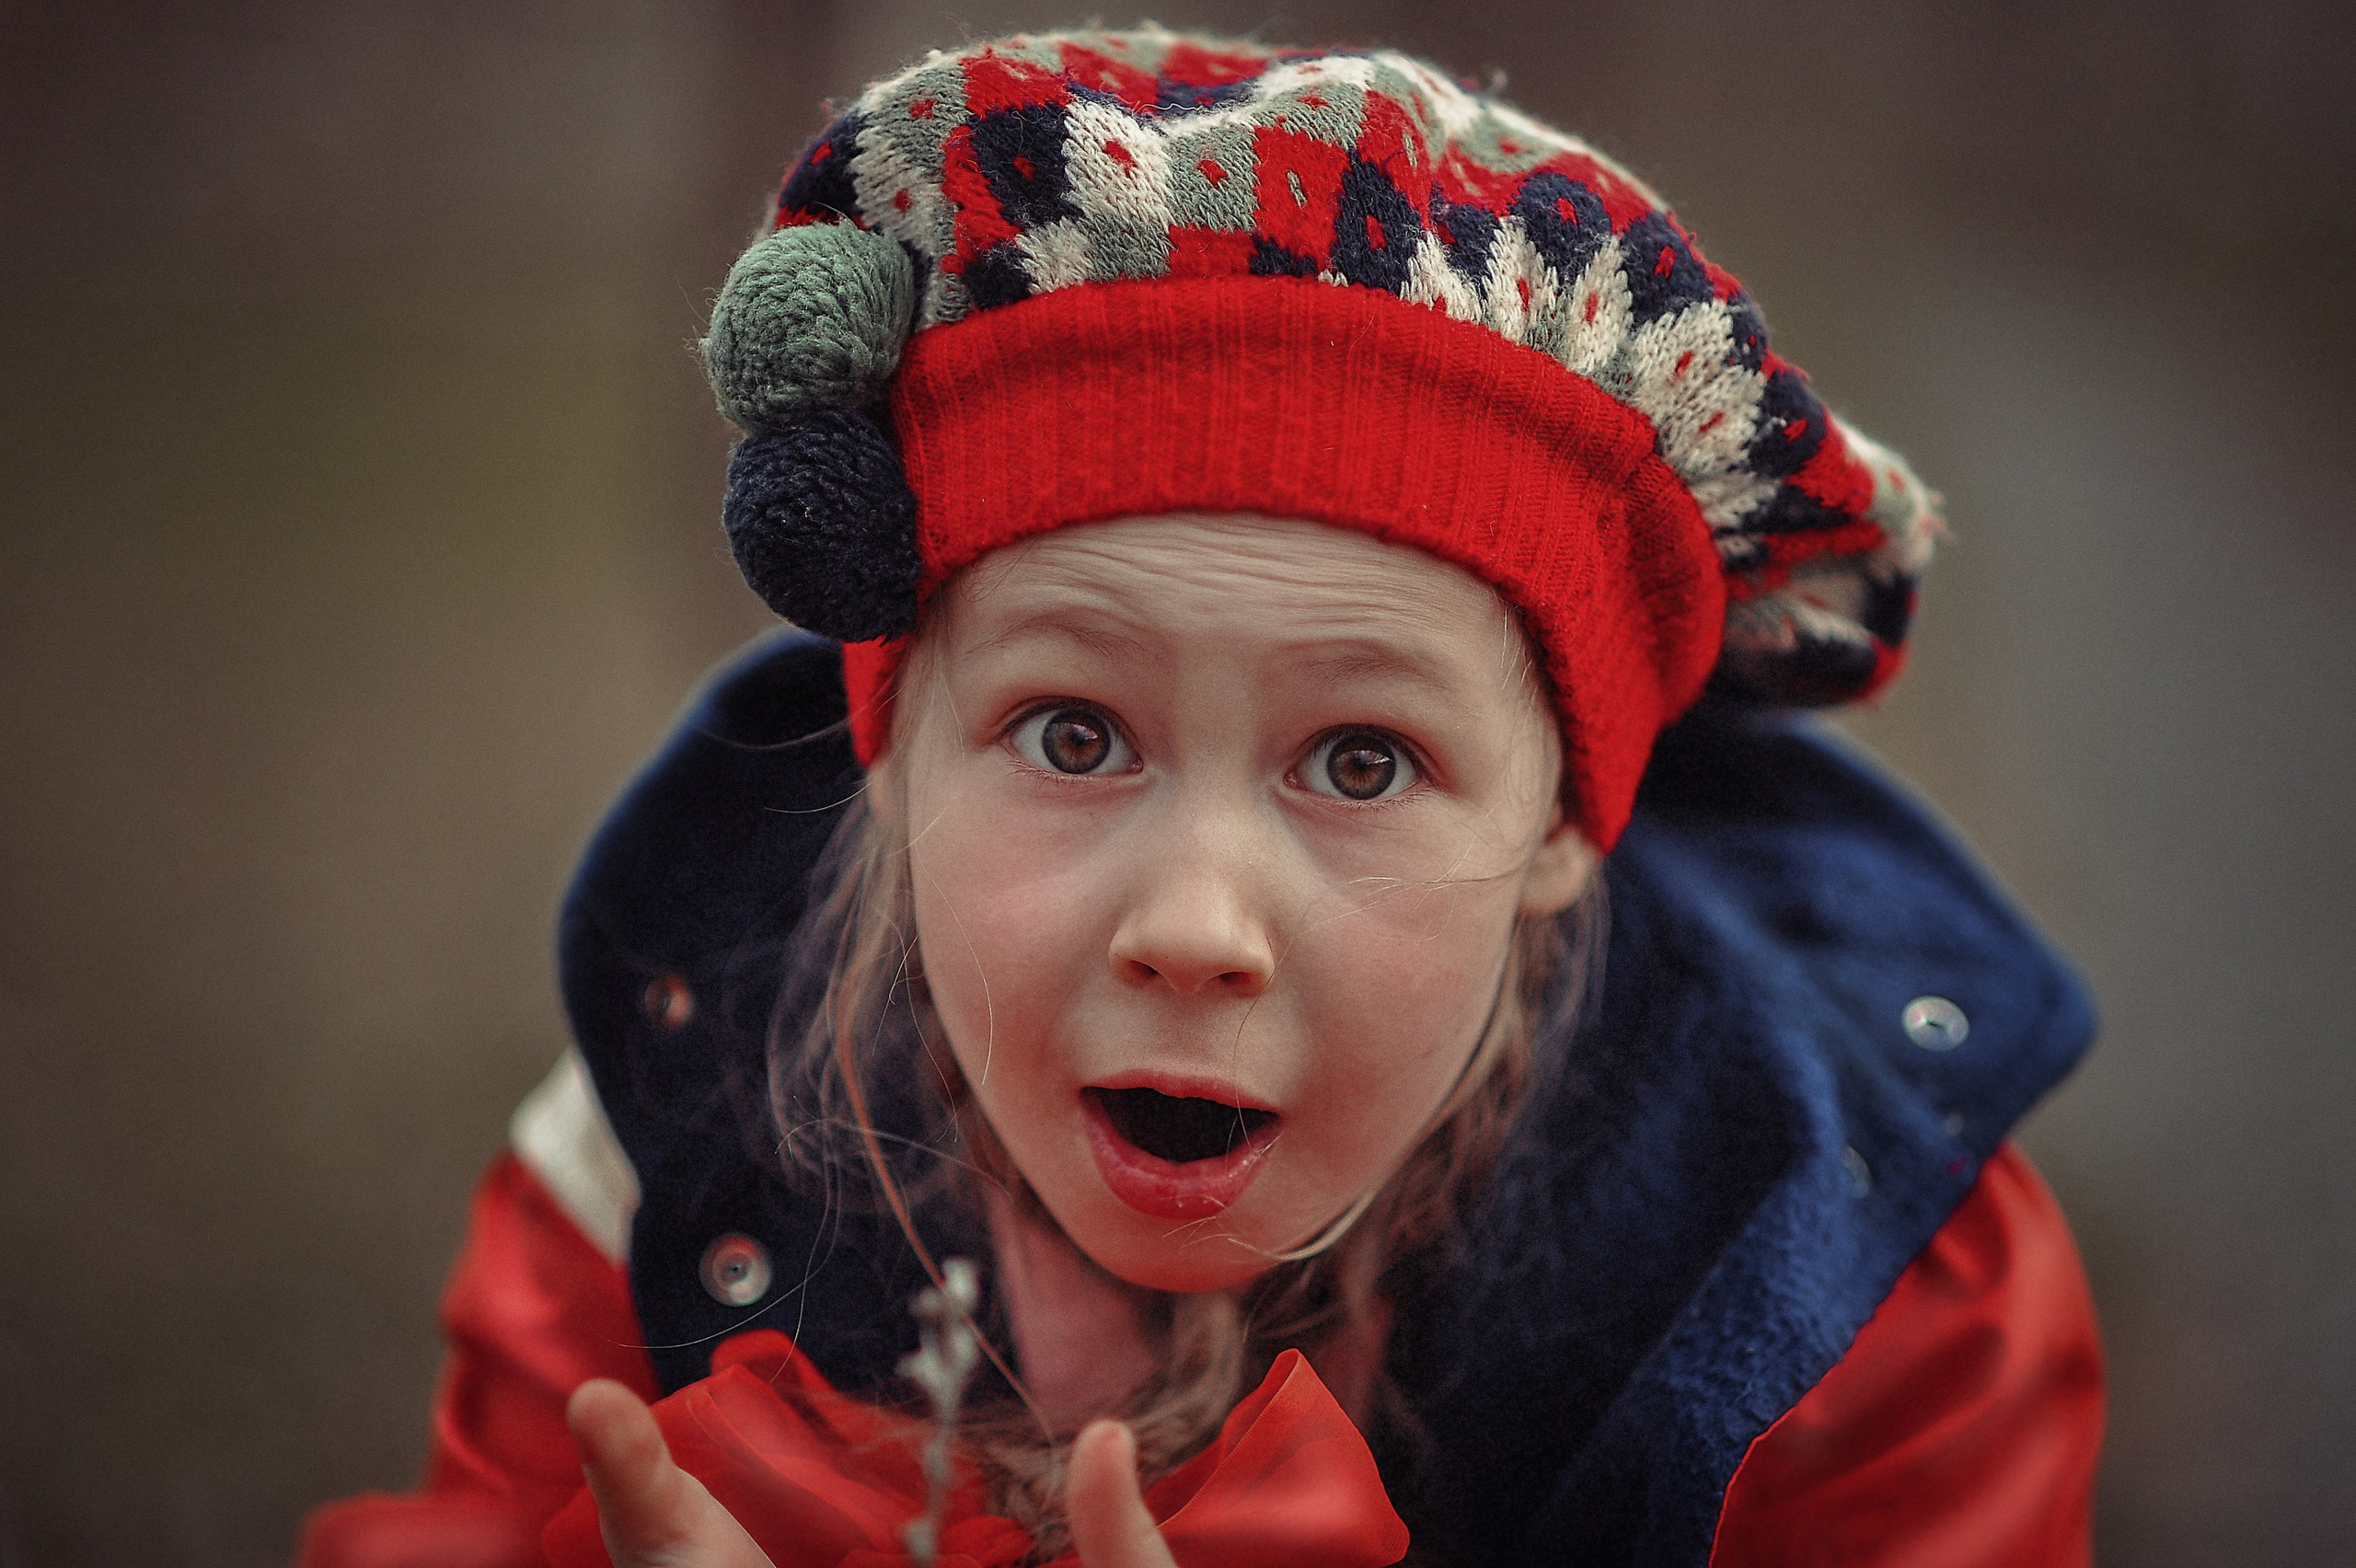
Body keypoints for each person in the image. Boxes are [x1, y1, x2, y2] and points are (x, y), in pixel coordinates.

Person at [296, 28, 2104, 1568]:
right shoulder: (656, 1125)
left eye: (1361, 760)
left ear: (1560, 822)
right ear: (893, 747)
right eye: (1074, 736)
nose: (1190, 928)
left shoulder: (1852, 1289)